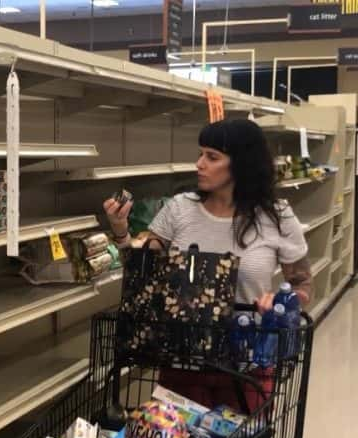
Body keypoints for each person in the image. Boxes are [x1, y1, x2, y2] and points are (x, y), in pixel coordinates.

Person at [103, 119, 313, 408]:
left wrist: (282, 304)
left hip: (247, 363)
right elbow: (142, 273)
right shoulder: (180, 208)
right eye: (200, 153)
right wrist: (120, 230)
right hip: (180, 363)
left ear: (242, 163)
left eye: (212, 157)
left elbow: (302, 283)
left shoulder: (276, 216)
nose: (199, 163)